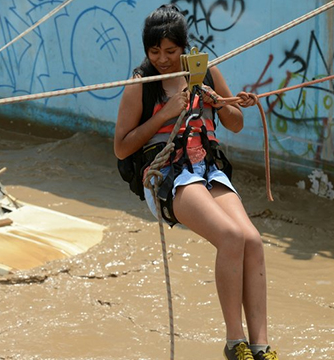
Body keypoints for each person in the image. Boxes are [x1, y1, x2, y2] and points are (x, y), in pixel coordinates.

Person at [113, 4, 278, 360]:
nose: (162, 59)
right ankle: (235, 343)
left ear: (184, 48)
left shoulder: (204, 73)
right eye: (154, 51)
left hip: (205, 167)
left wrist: (224, 104)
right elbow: (122, 147)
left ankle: (261, 346)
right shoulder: (140, 86)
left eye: (170, 51)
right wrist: (167, 113)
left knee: (252, 239)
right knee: (231, 237)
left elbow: (234, 124)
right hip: (166, 175)